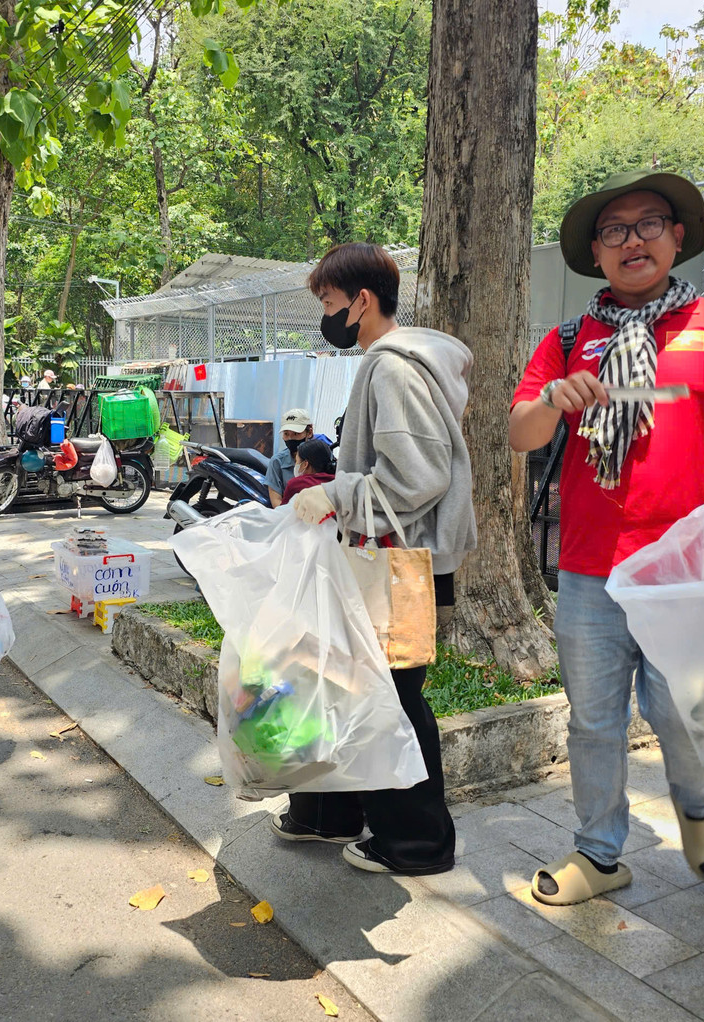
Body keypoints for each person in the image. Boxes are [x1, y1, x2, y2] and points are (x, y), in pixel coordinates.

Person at [508, 170, 704, 906]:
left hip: (692, 575)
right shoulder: (570, 339)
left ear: (678, 237)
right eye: (614, 230)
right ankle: (600, 850)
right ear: (597, 253)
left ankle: (700, 808)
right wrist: (551, 398)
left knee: (683, 713)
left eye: (649, 223)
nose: (632, 239)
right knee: (594, 719)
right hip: (590, 571)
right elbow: (520, 431)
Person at [285, 242, 476, 877]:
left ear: (362, 301)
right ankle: (333, 814)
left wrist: (334, 497)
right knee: (356, 686)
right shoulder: (393, 362)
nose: (328, 315)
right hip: (391, 560)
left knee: (391, 700)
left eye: (330, 302)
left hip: (399, 566)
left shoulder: (392, 368)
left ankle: (417, 843)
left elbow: (418, 475)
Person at [266, 408, 314, 507]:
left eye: (296, 433)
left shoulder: (321, 458)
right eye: (286, 434)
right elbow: (276, 502)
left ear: (309, 432)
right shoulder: (277, 462)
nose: (290, 439)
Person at [281, 437, 336, 505]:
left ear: (305, 464)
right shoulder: (337, 482)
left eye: (296, 461)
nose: (295, 464)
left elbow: (283, 512)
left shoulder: (296, 484)